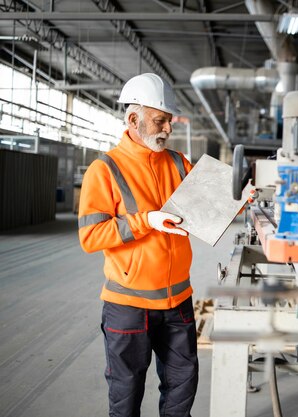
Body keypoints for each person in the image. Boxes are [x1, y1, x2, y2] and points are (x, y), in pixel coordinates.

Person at [78, 73, 198, 417]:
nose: (168, 129)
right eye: (160, 121)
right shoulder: (104, 170)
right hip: (129, 305)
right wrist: (146, 220)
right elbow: (91, 237)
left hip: (178, 302)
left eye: (169, 121)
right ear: (134, 119)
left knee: (181, 388)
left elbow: (208, 206)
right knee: (126, 392)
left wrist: (238, 197)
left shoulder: (178, 162)